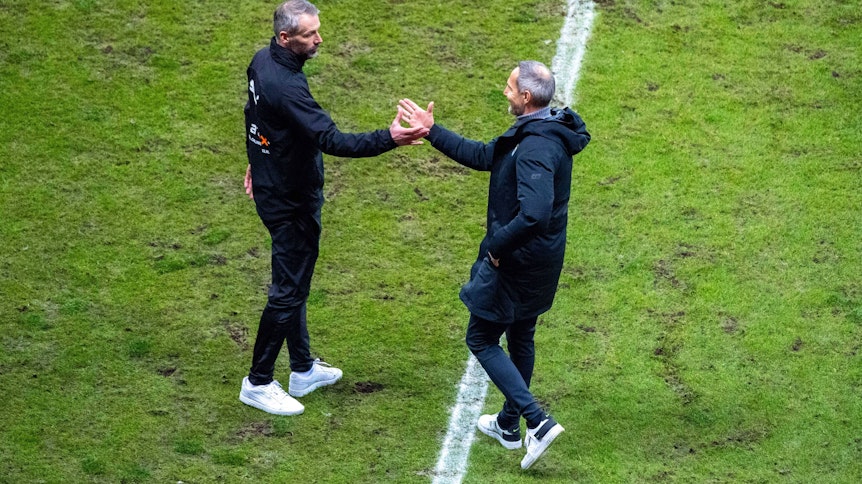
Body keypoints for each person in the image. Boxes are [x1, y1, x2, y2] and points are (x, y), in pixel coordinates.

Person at [239, 0, 428, 416]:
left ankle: (302, 369)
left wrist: (257, 160)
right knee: (288, 290)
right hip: (290, 200)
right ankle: (258, 382)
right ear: (285, 38)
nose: (319, 39)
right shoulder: (287, 87)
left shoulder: (262, 61)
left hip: (277, 185)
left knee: (295, 281)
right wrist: (390, 138)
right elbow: (333, 140)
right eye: (309, 35)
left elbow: (255, 117)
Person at [399, 60, 590, 469]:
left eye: (509, 87)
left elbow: (534, 213)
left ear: (526, 96)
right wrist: (432, 131)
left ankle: (537, 422)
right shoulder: (540, 130)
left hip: (519, 261)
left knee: (481, 338)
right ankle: (507, 424)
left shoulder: (537, 146)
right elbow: (487, 155)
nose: (504, 92)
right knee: (521, 336)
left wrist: (496, 247)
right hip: (541, 259)